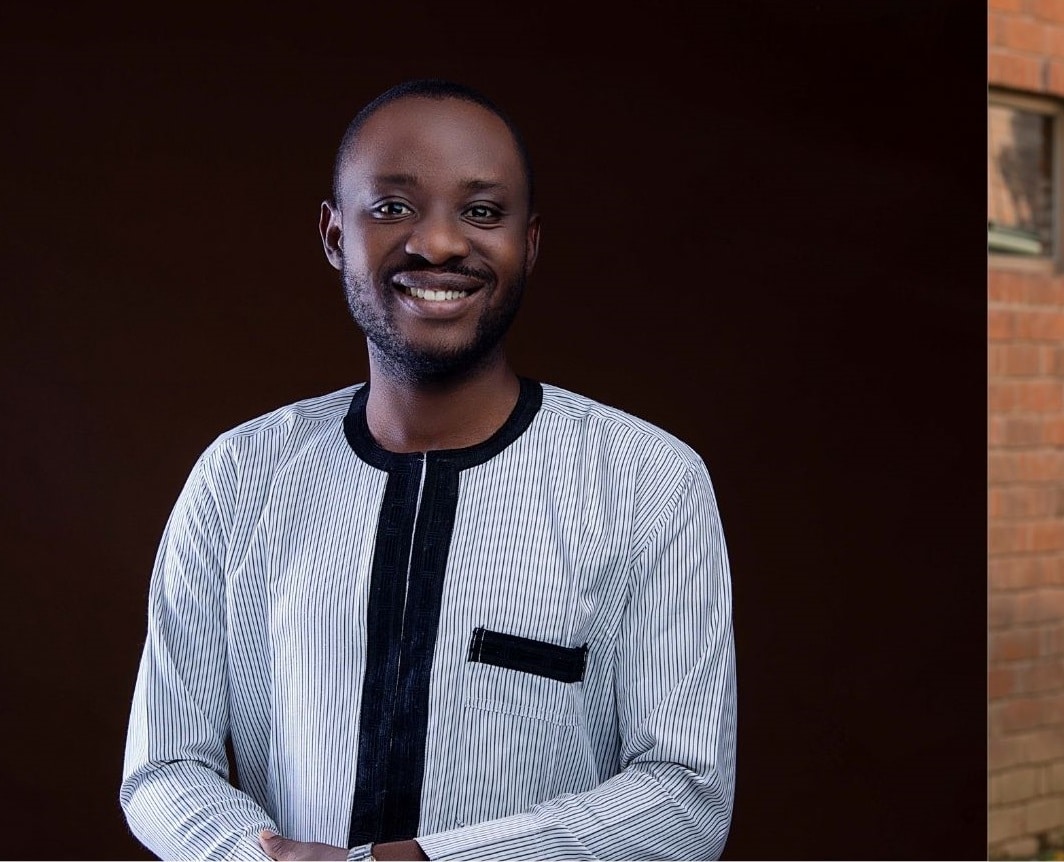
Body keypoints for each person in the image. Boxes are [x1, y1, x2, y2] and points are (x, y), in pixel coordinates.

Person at [120, 79, 736, 861]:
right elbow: (163, 766)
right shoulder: (241, 477)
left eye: (482, 211)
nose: (439, 244)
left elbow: (684, 799)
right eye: (392, 207)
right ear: (334, 234)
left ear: (530, 245)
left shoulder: (650, 482)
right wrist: (256, 855)